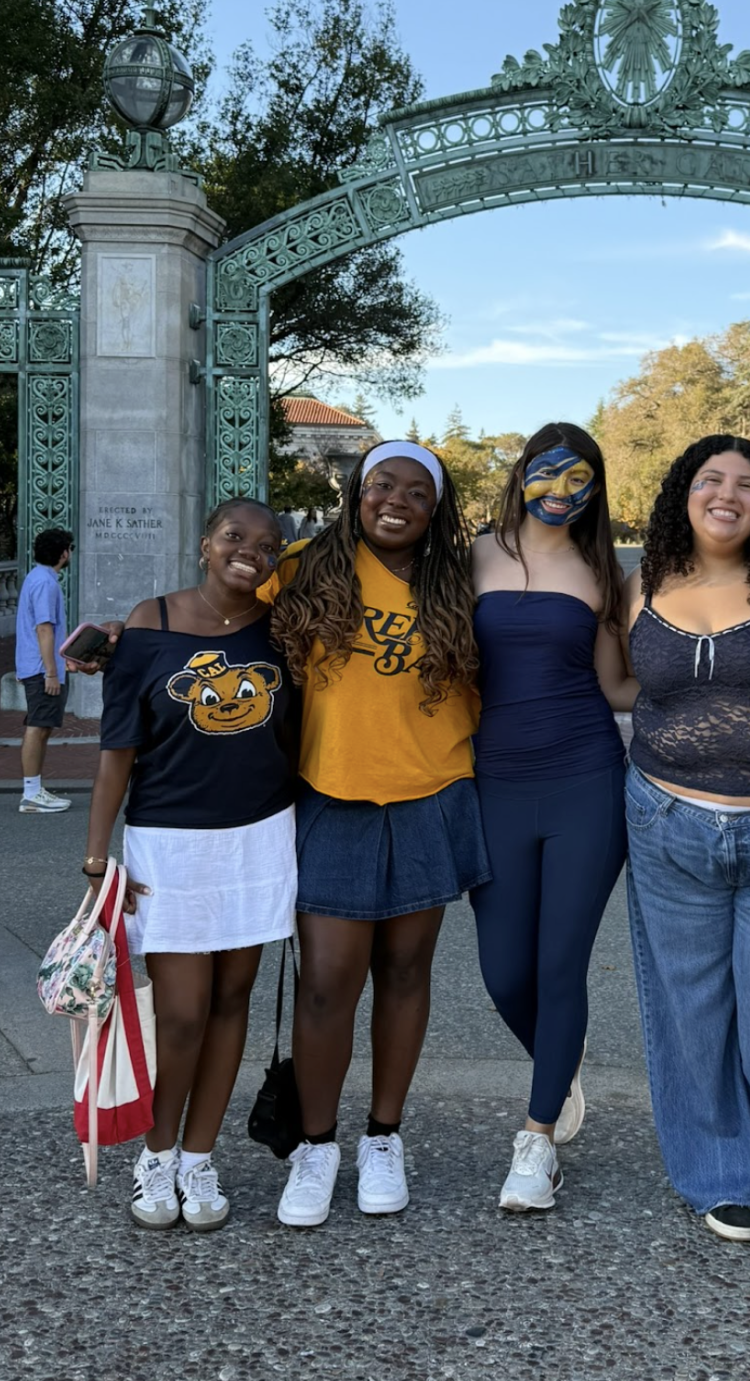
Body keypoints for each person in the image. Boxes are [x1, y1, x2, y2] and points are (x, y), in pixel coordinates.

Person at [267, 440, 489, 1228]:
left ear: (436, 509)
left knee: (404, 970)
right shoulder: (303, 566)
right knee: (328, 978)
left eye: (416, 492)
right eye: (381, 485)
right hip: (331, 794)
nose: (395, 500)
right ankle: (316, 1144)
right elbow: (217, 613)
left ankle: (383, 1136)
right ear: (356, 492)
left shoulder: (457, 583)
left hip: (430, 791)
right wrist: (130, 639)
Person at [622, 435, 750, 1244]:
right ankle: (719, 1171)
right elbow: (616, 680)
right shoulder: (640, 580)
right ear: (683, 490)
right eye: (710, 478)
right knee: (690, 1008)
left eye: (746, 483)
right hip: (666, 823)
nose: (726, 494)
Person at [84, 498, 298, 1232]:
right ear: (206, 542)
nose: (250, 551)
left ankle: (200, 1155)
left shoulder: (285, 629)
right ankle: (157, 1151)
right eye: (235, 536)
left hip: (261, 837)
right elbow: (118, 751)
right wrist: (95, 853)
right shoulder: (151, 625)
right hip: (168, 844)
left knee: (230, 1002)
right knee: (179, 1013)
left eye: (267, 544)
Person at [470, 424, 634, 1211]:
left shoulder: (607, 571)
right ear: (522, 473)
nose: (562, 486)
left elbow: (615, 687)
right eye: (547, 470)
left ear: (597, 487)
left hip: (585, 780)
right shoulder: (475, 554)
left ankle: (535, 1144)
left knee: (559, 963)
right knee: (503, 970)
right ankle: (556, 1064)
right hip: (492, 782)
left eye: (581, 476)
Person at [15, 527, 73, 814]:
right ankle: (30, 793)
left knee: (42, 727)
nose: (70, 553)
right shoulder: (45, 583)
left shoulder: (38, 578)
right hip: (42, 669)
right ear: (63, 553)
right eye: (69, 548)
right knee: (38, 728)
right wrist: (51, 672)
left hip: (37, 666)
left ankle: (34, 789)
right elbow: (44, 628)